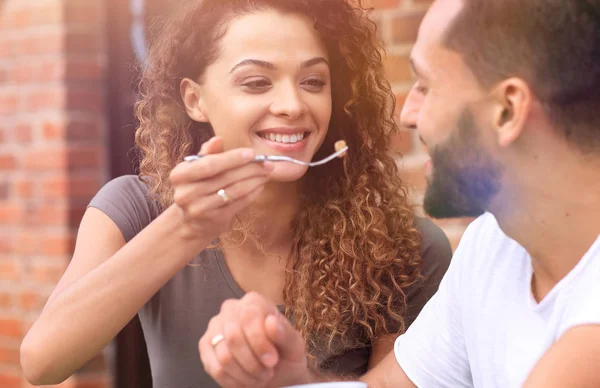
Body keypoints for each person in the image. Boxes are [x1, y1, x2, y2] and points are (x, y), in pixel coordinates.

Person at [19, 0, 452, 387]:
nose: (292, 105)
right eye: (257, 83)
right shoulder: (134, 209)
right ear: (195, 100)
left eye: (314, 81)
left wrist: (298, 380)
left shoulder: (404, 248)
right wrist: (186, 227)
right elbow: (42, 362)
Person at [200, 0, 600, 387]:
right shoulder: (491, 246)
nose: (408, 114)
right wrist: (293, 379)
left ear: (507, 110)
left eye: (426, 86)